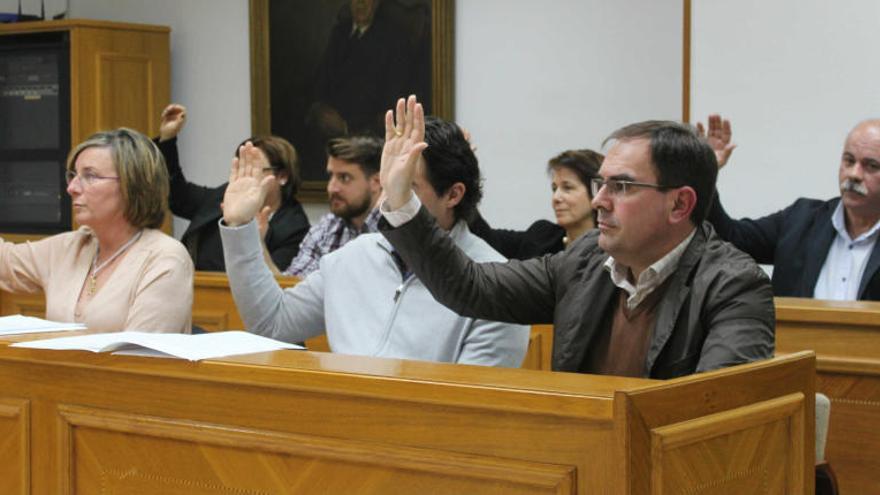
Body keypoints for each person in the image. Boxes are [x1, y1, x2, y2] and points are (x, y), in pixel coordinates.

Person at [378, 96, 774, 378]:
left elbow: (716, 419)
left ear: (679, 205)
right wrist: (400, 199)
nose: (599, 200)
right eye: (600, 183)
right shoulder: (586, 261)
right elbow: (470, 287)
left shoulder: (734, 286)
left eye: (620, 186)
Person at [219, 117, 529, 367]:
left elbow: (467, 411)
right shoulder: (353, 256)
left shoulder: (494, 284)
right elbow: (273, 324)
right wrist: (240, 226)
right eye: (387, 183)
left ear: (453, 194)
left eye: (406, 186)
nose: (389, 201)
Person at [0, 128, 193, 333]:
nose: (72, 188)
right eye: (73, 175)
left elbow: (142, 359)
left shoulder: (165, 258)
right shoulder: (71, 246)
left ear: (133, 185)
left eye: (90, 176)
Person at [702, 116, 880, 300]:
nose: (854, 174)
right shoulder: (800, 220)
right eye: (849, 161)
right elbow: (730, 238)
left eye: (871, 166)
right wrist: (704, 174)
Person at [156, 104, 310, 272]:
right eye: (241, 167)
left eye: (253, 169)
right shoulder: (226, 195)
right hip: (196, 287)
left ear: (282, 176)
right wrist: (168, 140)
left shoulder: (294, 227)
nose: (243, 177)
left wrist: (257, 241)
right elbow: (179, 197)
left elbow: (277, 285)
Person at [278, 135, 383, 277]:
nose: (332, 188)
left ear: (376, 182)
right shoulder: (327, 228)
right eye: (331, 176)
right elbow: (295, 287)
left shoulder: (396, 231)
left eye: (344, 178)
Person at [469, 149, 603, 259]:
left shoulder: (609, 251)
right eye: (554, 189)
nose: (556, 198)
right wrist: (466, 172)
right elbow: (486, 238)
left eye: (567, 188)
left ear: (597, 193)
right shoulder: (543, 235)